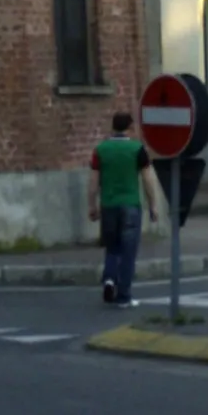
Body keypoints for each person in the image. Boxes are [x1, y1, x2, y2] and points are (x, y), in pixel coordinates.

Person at [88, 110, 158, 307]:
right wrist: (153, 205)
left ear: (113, 127)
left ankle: (109, 279)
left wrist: (92, 205)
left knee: (112, 247)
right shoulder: (138, 149)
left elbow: (93, 181)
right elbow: (147, 179)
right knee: (128, 252)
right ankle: (124, 296)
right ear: (130, 128)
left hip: (108, 205)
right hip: (131, 205)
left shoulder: (100, 150)